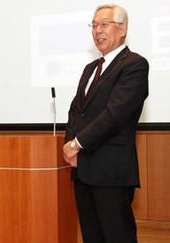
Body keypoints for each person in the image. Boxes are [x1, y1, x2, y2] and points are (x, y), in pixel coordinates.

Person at [63, 4, 149, 243]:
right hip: (83, 169)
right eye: (94, 25)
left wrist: (77, 143)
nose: (97, 31)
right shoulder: (91, 68)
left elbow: (115, 114)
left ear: (122, 29)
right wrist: (69, 145)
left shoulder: (134, 65)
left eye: (104, 24)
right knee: (91, 237)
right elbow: (76, 111)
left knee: (118, 237)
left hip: (112, 172)